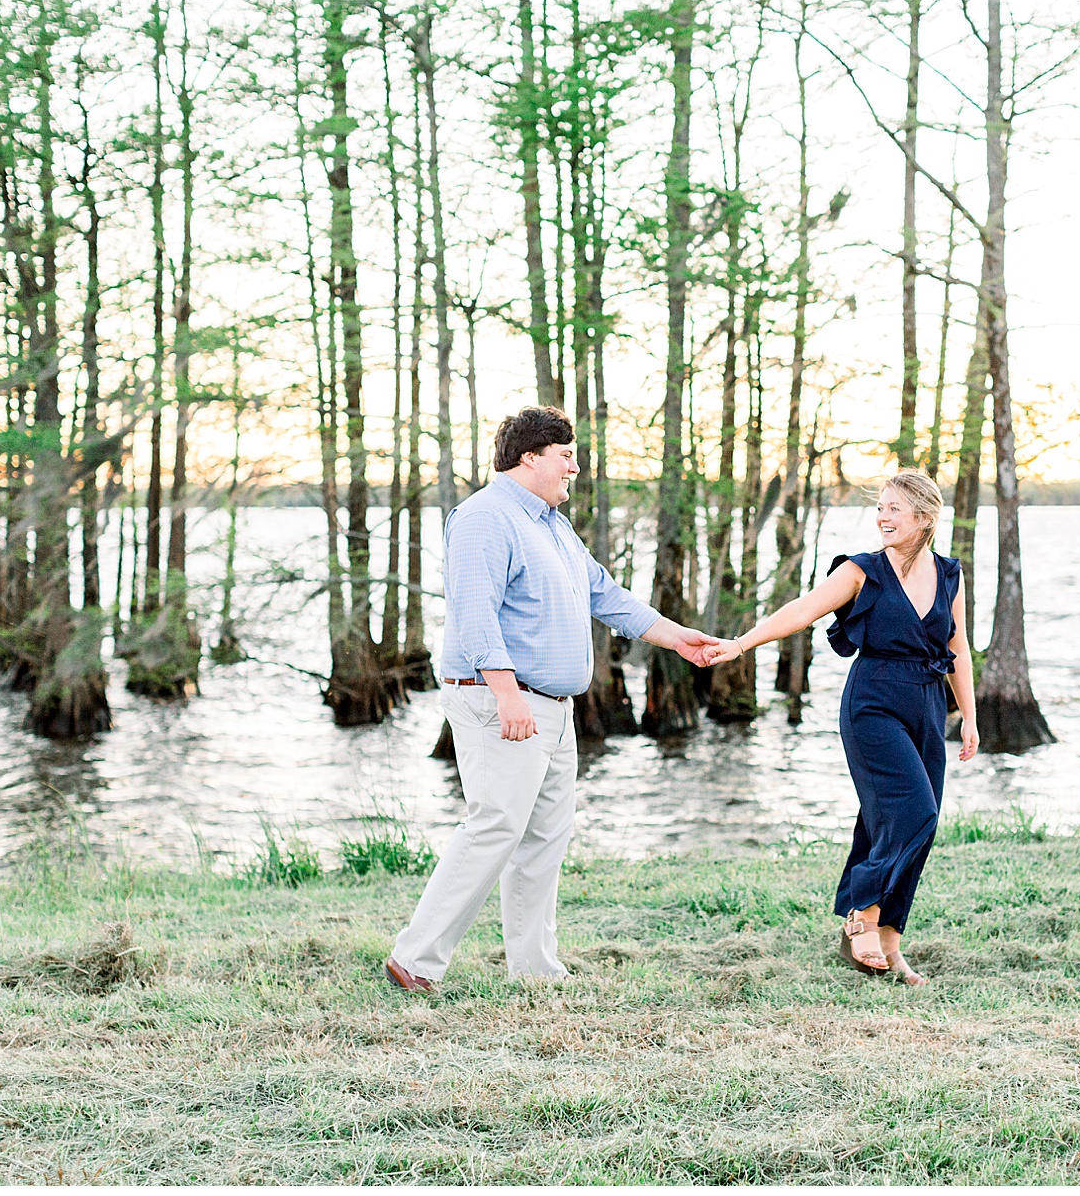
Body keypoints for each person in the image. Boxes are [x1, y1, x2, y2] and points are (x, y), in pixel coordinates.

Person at [385, 405, 721, 991]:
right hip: (504, 703)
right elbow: (473, 615)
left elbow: (606, 595)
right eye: (565, 455)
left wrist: (677, 638)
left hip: (555, 708)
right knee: (494, 825)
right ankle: (414, 960)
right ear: (529, 457)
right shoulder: (485, 518)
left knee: (543, 837)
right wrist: (508, 695)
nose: (575, 467)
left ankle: (535, 969)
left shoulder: (550, 524)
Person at [706, 470, 978, 985]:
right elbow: (802, 610)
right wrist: (742, 644)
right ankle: (862, 915)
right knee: (912, 811)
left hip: (928, 705)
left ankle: (891, 946)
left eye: (895, 509)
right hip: (873, 703)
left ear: (924, 517)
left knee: (907, 824)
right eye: (881, 508)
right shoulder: (862, 571)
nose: (883, 517)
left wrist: (968, 715)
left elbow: (957, 645)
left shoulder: (949, 575)